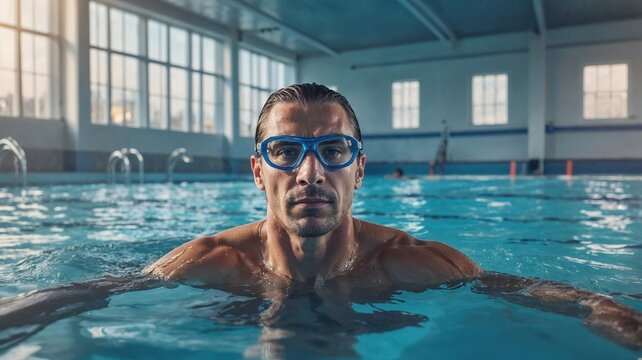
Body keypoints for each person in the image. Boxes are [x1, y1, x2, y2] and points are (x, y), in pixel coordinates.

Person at [144, 83, 641, 349]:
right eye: (286, 150)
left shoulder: (408, 261)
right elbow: (96, 293)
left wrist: (613, 312)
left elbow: (533, 293)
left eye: (333, 150)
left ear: (358, 169)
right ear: (258, 171)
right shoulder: (215, 259)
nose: (310, 172)